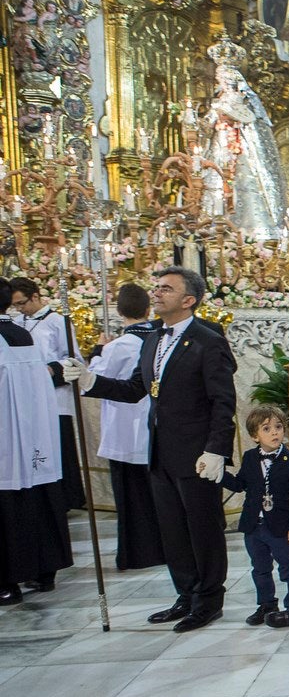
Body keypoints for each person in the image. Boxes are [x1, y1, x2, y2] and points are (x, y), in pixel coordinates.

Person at [64, 266, 237, 633]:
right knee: (172, 529)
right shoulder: (154, 339)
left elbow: (223, 401)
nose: (156, 294)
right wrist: (89, 379)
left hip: (197, 454)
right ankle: (186, 594)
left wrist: (216, 450)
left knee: (202, 529)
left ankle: (208, 600)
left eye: (166, 289)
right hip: (158, 450)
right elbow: (135, 389)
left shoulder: (207, 341)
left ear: (188, 300)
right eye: (155, 287)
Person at [0, 278, 73, 605]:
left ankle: (7, 580)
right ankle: (43, 571)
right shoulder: (20, 333)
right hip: (31, 433)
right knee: (33, 494)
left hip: (5, 437)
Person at [87, 283, 165, 572]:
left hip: (123, 428)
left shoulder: (118, 346)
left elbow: (93, 380)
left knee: (130, 499)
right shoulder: (159, 339)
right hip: (153, 427)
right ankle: (162, 549)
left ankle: (136, 554)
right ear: (148, 310)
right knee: (155, 495)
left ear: (120, 312)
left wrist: (98, 350)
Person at [220, 405, 289, 628]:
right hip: (254, 526)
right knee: (260, 568)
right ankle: (267, 605)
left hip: (279, 525)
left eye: (278, 427)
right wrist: (218, 474)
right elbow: (240, 485)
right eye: (266, 429)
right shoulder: (249, 458)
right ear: (254, 436)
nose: (275, 433)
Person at [10, 276, 85, 513]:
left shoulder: (57, 322)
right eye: (16, 305)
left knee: (58, 445)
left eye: (22, 303)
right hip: (26, 396)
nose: (20, 309)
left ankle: (65, 497)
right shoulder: (17, 322)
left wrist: (52, 368)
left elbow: (74, 357)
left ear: (35, 296)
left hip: (54, 396)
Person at [201, 34, 287, 239]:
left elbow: (252, 123)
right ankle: (215, 225)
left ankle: (253, 229)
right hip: (220, 146)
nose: (219, 82)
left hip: (241, 150)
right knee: (217, 180)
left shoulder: (243, 101)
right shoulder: (218, 102)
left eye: (222, 78)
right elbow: (206, 126)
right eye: (218, 78)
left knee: (247, 183)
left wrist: (230, 114)